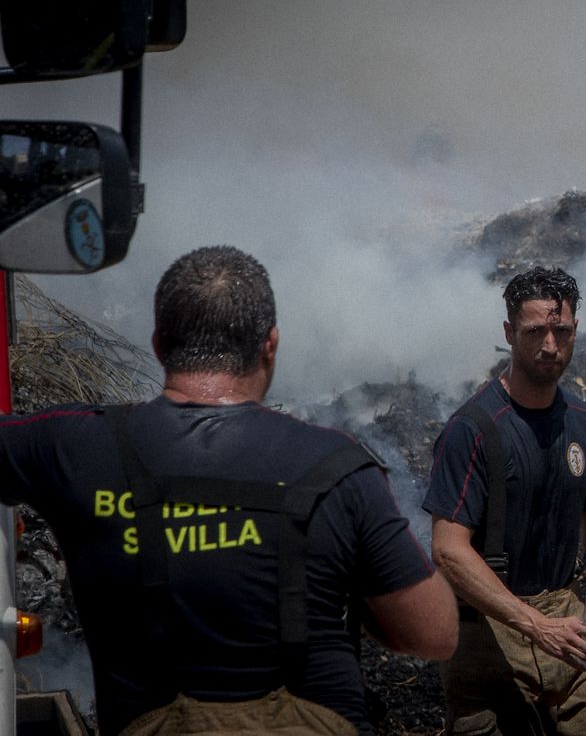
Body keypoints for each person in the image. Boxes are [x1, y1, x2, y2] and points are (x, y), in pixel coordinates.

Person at [0, 245, 457, 736]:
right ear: (270, 344)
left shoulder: (74, 445)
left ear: (158, 344)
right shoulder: (337, 465)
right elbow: (433, 635)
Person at [425, 266, 586, 736]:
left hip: (567, 622)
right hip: (487, 629)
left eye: (562, 331)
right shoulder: (473, 429)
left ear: (575, 331)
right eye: (534, 332)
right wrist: (532, 623)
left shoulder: (585, 422)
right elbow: (449, 550)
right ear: (509, 333)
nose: (550, 346)